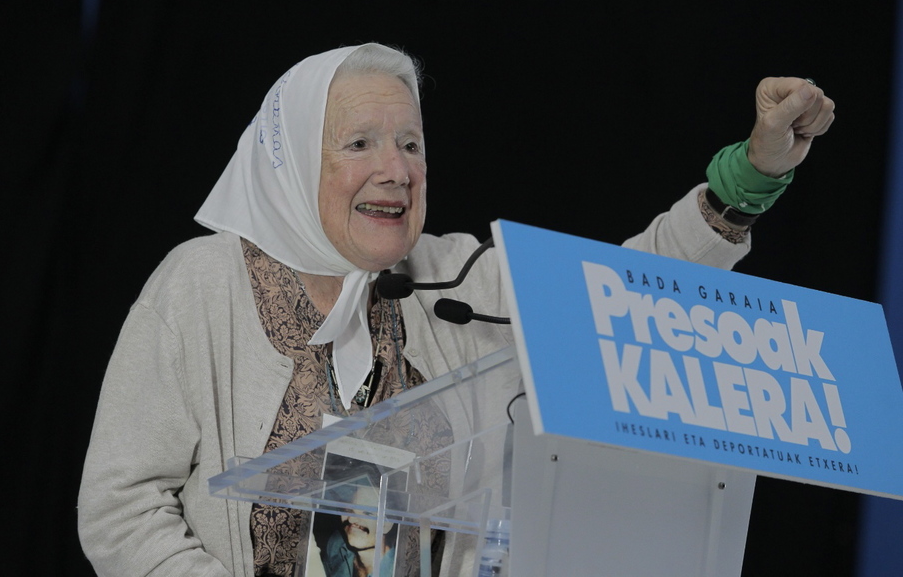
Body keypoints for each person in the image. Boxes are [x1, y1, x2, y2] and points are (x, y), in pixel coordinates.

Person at [78, 43, 835, 577]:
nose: (397, 169)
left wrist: (750, 176)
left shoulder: (458, 281)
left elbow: (629, 298)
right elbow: (121, 508)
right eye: (362, 142)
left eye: (411, 143)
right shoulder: (200, 286)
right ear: (292, 160)